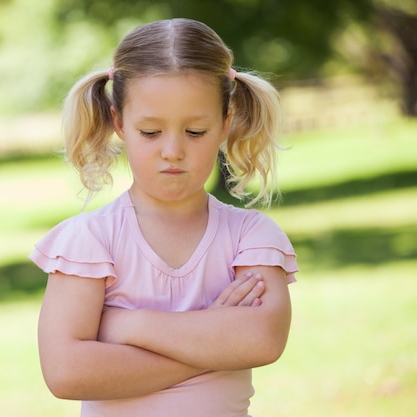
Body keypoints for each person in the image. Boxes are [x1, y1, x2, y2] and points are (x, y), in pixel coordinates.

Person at [29, 18, 298, 417]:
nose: (172, 151)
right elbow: (67, 372)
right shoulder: (89, 241)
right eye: (151, 132)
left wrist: (125, 326)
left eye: (194, 131)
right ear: (119, 122)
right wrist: (216, 340)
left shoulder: (251, 236)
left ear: (225, 123)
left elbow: (261, 340)